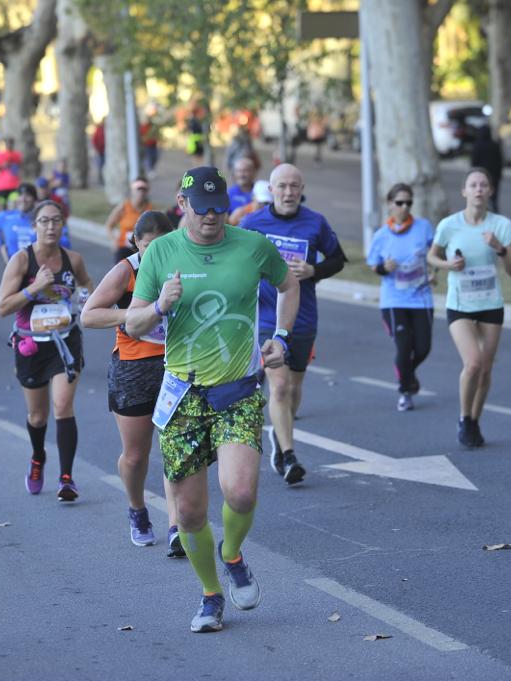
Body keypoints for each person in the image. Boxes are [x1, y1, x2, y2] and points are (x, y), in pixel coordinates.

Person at [124, 166, 300, 633]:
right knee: (189, 513)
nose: (213, 218)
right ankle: (209, 595)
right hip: (183, 396)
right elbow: (134, 325)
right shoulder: (160, 252)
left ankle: (233, 554)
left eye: (220, 208)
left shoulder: (251, 244)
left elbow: (289, 285)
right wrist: (160, 305)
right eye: (203, 210)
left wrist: (281, 336)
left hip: (238, 392)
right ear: (182, 206)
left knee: (241, 493)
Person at [81, 211, 184, 556]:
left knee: (176, 450)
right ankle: (137, 509)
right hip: (133, 367)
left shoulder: (183, 264)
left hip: (178, 365)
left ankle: (176, 526)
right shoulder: (127, 270)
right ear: (136, 243)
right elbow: (90, 314)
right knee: (137, 456)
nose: (156, 252)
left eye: (163, 245)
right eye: (148, 246)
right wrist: (138, 313)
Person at [240, 163, 347, 485]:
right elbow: (234, 261)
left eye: (294, 186)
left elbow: (338, 259)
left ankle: (280, 437)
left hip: (303, 318)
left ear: (301, 190)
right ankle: (289, 455)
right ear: (271, 190)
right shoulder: (253, 223)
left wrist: (313, 271)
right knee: (281, 385)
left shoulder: (315, 223)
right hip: (266, 318)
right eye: (282, 186)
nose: (288, 192)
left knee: (295, 388)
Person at [0, 200, 94, 501]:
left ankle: (67, 478)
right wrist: (34, 288)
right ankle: (38, 457)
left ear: (63, 225)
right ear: (34, 226)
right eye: (44, 221)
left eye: (56, 221)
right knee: (37, 416)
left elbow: (89, 288)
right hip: (30, 345)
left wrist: (84, 299)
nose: (51, 227)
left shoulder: (73, 259)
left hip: (65, 342)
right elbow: (2, 307)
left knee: (63, 406)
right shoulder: (21, 261)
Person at [426, 167, 511, 449]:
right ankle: (464, 417)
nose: (478, 189)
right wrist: (448, 265)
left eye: (483, 184)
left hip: (491, 304)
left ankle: (475, 421)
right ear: (464, 191)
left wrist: (500, 248)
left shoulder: (502, 225)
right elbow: (432, 256)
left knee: (486, 369)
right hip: (460, 305)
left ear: (490, 191)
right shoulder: (449, 225)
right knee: (473, 363)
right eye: (473, 185)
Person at [365, 183, 435, 412]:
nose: (404, 207)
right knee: (404, 347)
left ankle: (407, 371)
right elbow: (373, 266)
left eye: (408, 203)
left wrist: (435, 271)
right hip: (394, 301)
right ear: (389, 204)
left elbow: (436, 253)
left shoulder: (423, 228)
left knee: (423, 348)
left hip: (421, 297)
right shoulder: (382, 235)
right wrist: (385, 267)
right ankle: (405, 391)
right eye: (399, 202)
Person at [0, 183, 38, 265]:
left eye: (28, 195)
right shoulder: (6, 216)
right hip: (12, 268)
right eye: (20, 195)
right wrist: (1, 244)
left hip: (36, 269)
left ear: (35, 200)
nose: (23, 199)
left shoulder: (40, 219)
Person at [104, 176, 153, 263]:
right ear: (132, 190)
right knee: (121, 274)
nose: (141, 192)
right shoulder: (124, 207)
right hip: (124, 248)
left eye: (144, 189)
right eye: (138, 189)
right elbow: (109, 225)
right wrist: (113, 240)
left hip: (141, 250)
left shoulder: (150, 209)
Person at [470, 126, 503, 213]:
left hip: (480, 176)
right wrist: (499, 175)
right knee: (493, 198)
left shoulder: (477, 146)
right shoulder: (495, 145)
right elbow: (499, 161)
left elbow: (474, 162)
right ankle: (495, 214)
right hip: (494, 176)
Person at [0, 139, 22, 211]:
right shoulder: (0, 155)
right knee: (3, 207)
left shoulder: (17, 155)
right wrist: (3, 165)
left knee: (15, 206)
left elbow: (20, 167)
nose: (9, 145)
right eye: (8, 144)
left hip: (14, 185)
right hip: (2, 186)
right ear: (5, 145)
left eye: (11, 143)